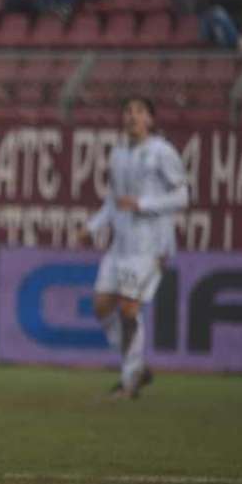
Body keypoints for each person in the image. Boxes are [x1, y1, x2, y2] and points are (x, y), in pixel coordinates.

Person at [81, 97, 189, 400]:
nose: (131, 116)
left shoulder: (162, 152)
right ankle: (136, 367)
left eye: (139, 112)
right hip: (121, 243)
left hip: (149, 245)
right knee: (102, 306)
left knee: (129, 308)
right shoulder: (118, 153)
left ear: (151, 120)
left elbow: (182, 196)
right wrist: (92, 227)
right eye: (127, 111)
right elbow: (114, 201)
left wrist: (143, 204)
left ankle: (129, 382)